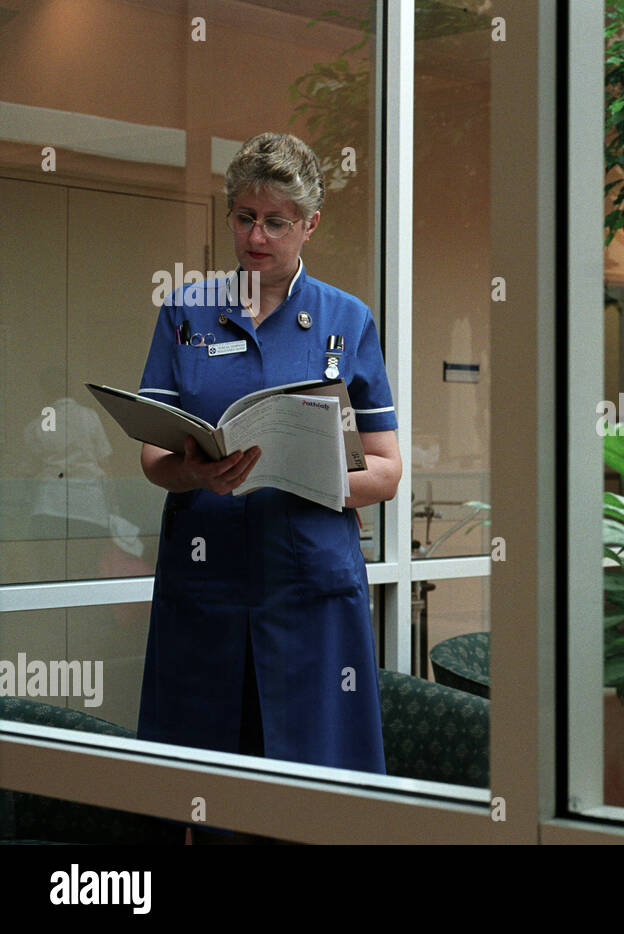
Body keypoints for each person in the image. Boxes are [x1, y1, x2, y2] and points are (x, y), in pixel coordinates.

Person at [136, 132, 400, 776]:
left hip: (309, 588)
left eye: (276, 221)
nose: (257, 236)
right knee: (200, 777)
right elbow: (152, 456)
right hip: (206, 584)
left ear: (310, 224)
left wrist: (316, 478)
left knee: (316, 776)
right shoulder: (185, 312)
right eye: (245, 217)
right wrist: (194, 471)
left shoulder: (349, 319)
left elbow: (387, 471)